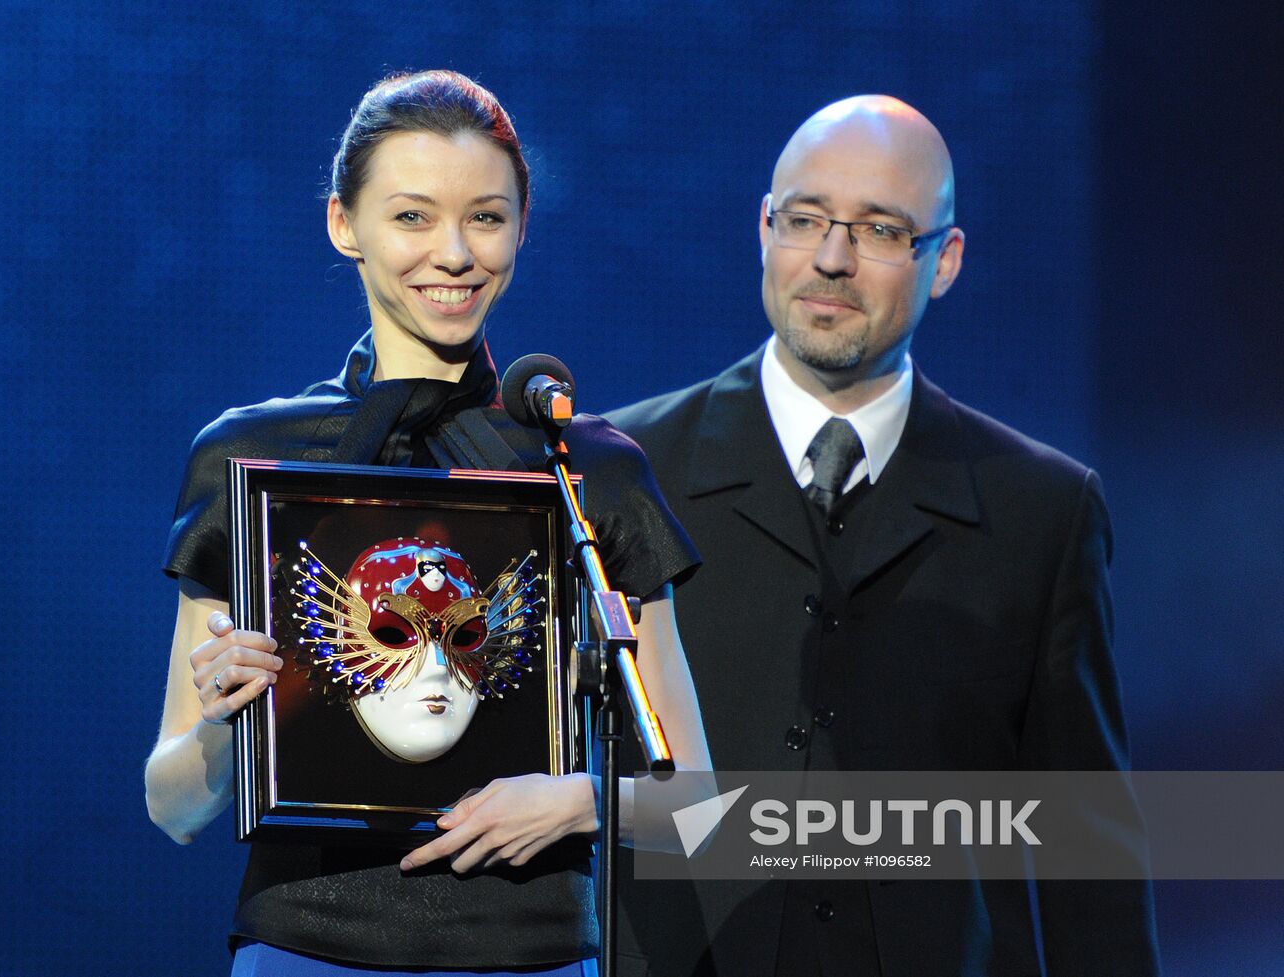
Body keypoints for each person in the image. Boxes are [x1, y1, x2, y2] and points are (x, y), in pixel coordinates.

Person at [144, 70, 712, 977]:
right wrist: (226, 727)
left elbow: (697, 801)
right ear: (344, 225)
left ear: (522, 226)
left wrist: (581, 801)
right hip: (306, 949)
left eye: (486, 217)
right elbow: (171, 805)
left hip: (533, 955)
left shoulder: (586, 468)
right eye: (412, 217)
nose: (454, 252)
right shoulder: (254, 463)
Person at [606, 95, 1160, 976]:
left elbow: (1088, 858)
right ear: (763, 228)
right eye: (806, 220)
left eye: (879, 230)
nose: (831, 258)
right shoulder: (624, 471)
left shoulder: (1041, 510)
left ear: (945, 261)